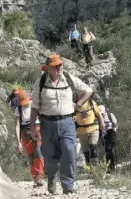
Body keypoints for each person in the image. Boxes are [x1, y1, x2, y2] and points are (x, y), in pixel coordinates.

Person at [29, 53, 93, 195]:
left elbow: (88, 90)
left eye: (61, 65)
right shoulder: (40, 82)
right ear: (48, 68)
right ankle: (51, 177)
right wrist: (32, 127)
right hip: (47, 123)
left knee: (69, 152)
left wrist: (79, 104)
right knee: (50, 156)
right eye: (56, 66)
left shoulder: (69, 79)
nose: (59, 68)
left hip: (67, 122)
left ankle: (68, 185)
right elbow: (34, 106)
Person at [14, 89, 44, 187]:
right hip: (25, 133)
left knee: (38, 153)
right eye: (23, 103)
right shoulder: (18, 109)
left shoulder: (35, 106)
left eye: (26, 103)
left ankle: (40, 175)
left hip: (37, 130)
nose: (25, 105)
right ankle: (35, 177)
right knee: (31, 156)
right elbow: (17, 125)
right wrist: (18, 142)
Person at [75, 95, 105, 168]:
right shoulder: (74, 106)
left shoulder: (91, 103)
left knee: (93, 146)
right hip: (81, 131)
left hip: (93, 128)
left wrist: (102, 124)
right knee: (85, 151)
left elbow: (99, 114)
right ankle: (90, 169)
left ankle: (96, 168)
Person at [99, 105, 118, 173]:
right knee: (107, 151)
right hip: (105, 135)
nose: (102, 114)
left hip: (112, 133)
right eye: (100, 113)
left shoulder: (110, 115)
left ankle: (111, 167)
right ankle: (109, 167)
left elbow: (115, 123)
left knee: (109, 150)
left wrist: (114, 130)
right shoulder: (99, 118)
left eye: (102, 113)